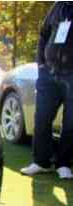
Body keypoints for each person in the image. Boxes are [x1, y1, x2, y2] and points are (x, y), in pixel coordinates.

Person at [21, 2, 73, 179]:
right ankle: (41, 162)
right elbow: (43, 35)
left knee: (70, 124)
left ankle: (64, 164)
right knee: (42, 119)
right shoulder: (58, 6)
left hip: (71, 75)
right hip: (48, 74)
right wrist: (41, 64)